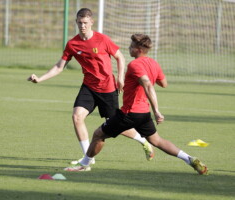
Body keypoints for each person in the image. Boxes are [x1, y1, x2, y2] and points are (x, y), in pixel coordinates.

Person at [64, 33, 208, 175]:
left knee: (98, 135)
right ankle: (189, 159)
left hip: (129, 113)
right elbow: (163, 83)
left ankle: (84, 164)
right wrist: (151, 78)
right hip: (144, 113)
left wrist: (157, 110)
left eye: (132, 46)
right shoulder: (153, 63)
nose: (129, 48)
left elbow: (147, 85)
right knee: (156, 140)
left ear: (139, 50)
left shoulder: (134, 65)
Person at [27, 8, 154, 164]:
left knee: (116, 124)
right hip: (88, 87)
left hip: (108, 88)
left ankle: (143, 141)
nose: (82, 26)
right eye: (80, 22)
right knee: (77, 117)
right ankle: (88, 157)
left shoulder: (102, 39)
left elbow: (120, 57)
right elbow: (59, 67)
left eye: (85, 23)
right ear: (76, 22)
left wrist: (120, 78)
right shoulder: (72, 44)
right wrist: (40, 79)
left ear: (91, 22)